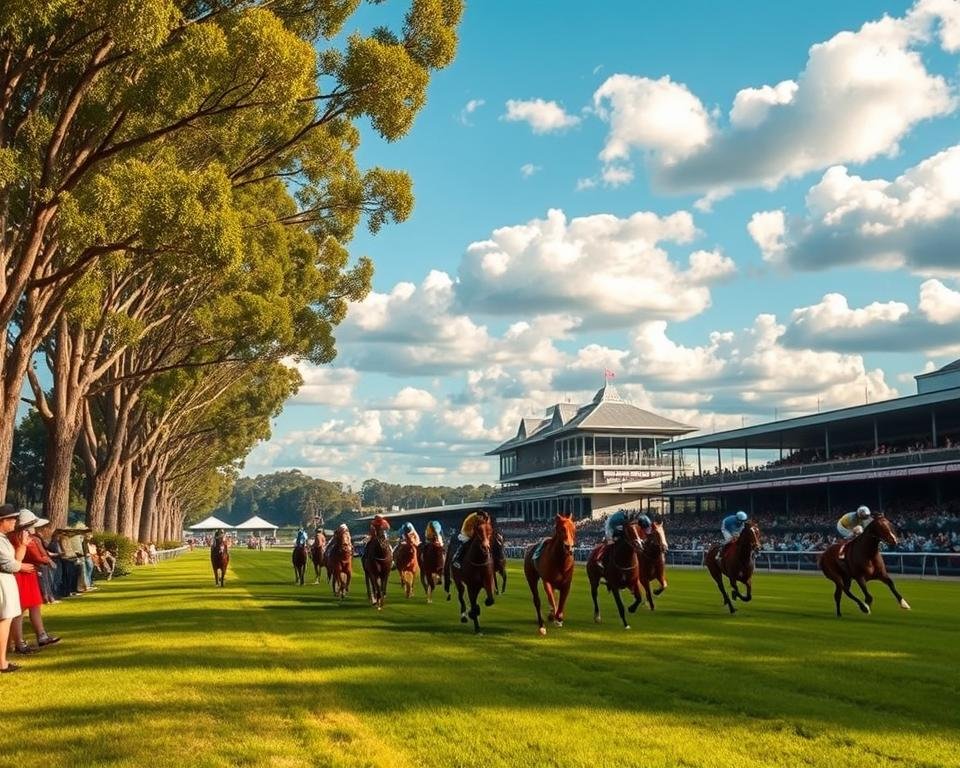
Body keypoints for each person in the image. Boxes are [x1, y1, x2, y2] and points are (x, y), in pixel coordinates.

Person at [10, 510, 60, 653]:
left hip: (27, 573)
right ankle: (20, 642)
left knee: (32, 607)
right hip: (22, 573)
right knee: (20, 610)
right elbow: (29, 556)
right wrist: (46, 560)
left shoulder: (21, 536)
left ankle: (39, 636)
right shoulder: (21, 537)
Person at [0, 504, 35, 673]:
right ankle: (1, 662)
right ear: (2, 521)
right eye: (11, 519)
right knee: (4, 620)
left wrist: (22, 545)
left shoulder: (4, 538)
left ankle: (3, 659)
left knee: (7, 619)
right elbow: (9, 564)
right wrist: (20, 566)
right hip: (2, 581)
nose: (14, 522)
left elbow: (15, 560)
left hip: (6, 581)